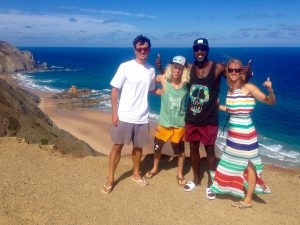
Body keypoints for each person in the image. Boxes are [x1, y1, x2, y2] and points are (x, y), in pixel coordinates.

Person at [156, 38, 252, 199]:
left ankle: (210, 183)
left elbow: (236, 78)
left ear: (208, 50)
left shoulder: (218, 67)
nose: (200, 51)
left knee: (209, 150)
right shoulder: (189, 67)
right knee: (193, 149)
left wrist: (246, 73)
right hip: (191, 119)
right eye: (197, 49)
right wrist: (160, 67)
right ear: (194, 51)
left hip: (209, 119)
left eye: (203, 48)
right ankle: (196, 179)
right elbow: (174, 76)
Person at [210, 59, 276, 208]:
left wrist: (270, 90)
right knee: (233, 163)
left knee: (249, 165)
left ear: (241, 72)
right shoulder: (230, 91)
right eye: (231, 70)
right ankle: (237, 189)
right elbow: (231, 110)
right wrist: (216, 106)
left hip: (246, 135)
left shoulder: (249, 88)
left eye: (237, 70)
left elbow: (270, 102)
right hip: (233, 135)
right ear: (227, 72)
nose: (234, 72)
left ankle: (248, 200)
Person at [101, 35, 156, 194]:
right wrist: (114, 113)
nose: (142, 51)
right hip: (124, 115)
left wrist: (171, 90)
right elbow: (114, 89)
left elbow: (151, 89)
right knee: (117, 147)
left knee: (138, 148)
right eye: (139, 49)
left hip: (142, 116)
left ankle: (136, 174)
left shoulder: (151, 70)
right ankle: (110, 179)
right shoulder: (125, 66)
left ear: (149, 49)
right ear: (135, 50)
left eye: (145, 48)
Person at [144, 56, 189, 186]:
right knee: (157, 148)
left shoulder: (187, 84)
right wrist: (159, 92)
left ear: (184, 70)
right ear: (171, 67)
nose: (177, 69)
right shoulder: (164, 79)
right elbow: (148, 82)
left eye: (180, 67)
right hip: (163, 123)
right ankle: (155, 168)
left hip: (179, 124)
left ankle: (180, 173)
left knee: (180, 151)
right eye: (175, 66)